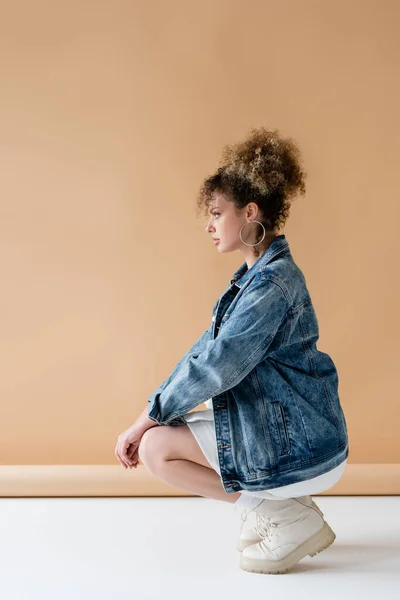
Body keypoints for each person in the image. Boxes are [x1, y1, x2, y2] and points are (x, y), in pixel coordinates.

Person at [115, 127, 349, 575]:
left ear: (250, 212)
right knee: (161, 430)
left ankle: (283, 512)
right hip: (289, 431)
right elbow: (202, 355)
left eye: (216, 213)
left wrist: (146, 422)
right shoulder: (252, 281)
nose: (209, 224)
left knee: (155, 448)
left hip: (302, 444)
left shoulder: (270, 286)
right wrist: (152, 410)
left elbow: (216, 369)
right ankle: (278, 507)